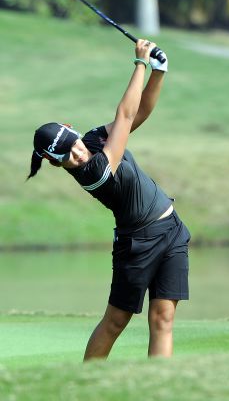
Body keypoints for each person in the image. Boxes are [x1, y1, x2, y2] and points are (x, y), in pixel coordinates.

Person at [27, 40, 190, 361]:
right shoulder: (93, 171)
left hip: (171, 230)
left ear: (72, 131)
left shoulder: (91, 140)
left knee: (163, 318)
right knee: (117, 321)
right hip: (137, 243)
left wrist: (159, 71)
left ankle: (164, 386)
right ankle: (88, 382)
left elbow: (138, 114)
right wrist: (140, 63)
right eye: (64, 156)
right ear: (53, 162)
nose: (75, 153)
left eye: (72, 144)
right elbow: (125, 116)